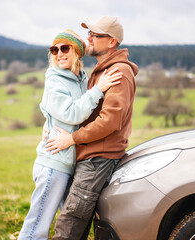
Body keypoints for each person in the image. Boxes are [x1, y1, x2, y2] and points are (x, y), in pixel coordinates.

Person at [18, 29, 122, 240]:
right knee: (36, 227)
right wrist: (98, 89)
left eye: (65, 48)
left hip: (68, 165)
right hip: (53, 165)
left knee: (70, 223)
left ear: (77, 52)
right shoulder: (55, 80)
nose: (59, 54)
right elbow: (71, 113)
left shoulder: (79, 79)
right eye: (54, 50)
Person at [45, 16, 138, 240]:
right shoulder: (101, 70)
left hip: (98, 158)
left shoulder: (118, 72)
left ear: (112, 41)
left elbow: (109, 121)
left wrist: (73, 138)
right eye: (89, 34)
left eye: (95, 35)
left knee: (69, 224)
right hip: (91, 155)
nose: (89, 39)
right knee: (76, 224)